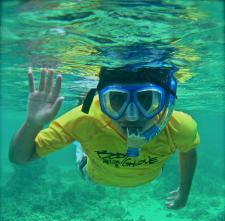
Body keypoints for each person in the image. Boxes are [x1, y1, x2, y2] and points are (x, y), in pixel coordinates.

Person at [9, 64, 200, 210]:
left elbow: (189, 152)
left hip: (147, 176)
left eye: (146, 98)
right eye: (116, 99)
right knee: (85, 126)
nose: (132, 115)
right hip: (93, 175)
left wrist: (185, 192)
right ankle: (82, 123)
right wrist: (32, 123)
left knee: (86, 127)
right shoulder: (83, 119)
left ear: (166, 102)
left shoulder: (179, 125)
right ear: (102, 101)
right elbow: (20, 157)